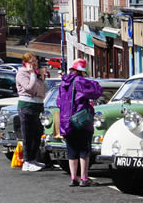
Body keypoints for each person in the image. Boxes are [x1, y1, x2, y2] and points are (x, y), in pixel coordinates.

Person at [58, 59, 103, 187]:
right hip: (80, 119)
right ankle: (84, 178)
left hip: (65, 121)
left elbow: (58, 102)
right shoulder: (80, 81)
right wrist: (93, 82)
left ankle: (73, 178)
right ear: (81, 71)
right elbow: (96, 92)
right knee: (84, 149)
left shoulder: (63, 83)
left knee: (71, 150)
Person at [15, 53, 48, 172]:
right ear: (25, 63)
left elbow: (42, 90)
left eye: (35, 61)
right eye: (31, 61)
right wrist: (32, 74)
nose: (34, 63)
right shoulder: (21, 73)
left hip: (38, 104)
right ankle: (27, 161)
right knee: (27, 134)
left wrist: (41, 77)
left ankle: (33, 159)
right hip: (26, 105)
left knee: (37, 134)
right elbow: (28, 87)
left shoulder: (37, 74)